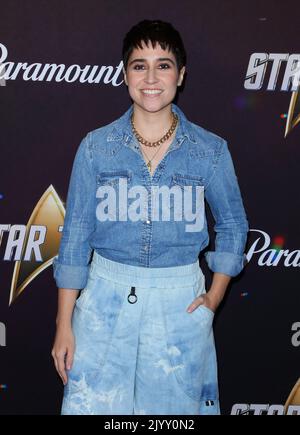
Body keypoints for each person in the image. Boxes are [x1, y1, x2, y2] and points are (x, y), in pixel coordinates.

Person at [51, 19, 249, 415]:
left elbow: (232, 225)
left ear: (181, 74)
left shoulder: (209, 151)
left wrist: (213, 297)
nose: (151, 77)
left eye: (164, 64)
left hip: (180, 303)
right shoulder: (96, 148)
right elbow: (74, 236)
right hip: (104, 301)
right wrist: (63, 324)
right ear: (125, 75)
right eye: (139, 65)